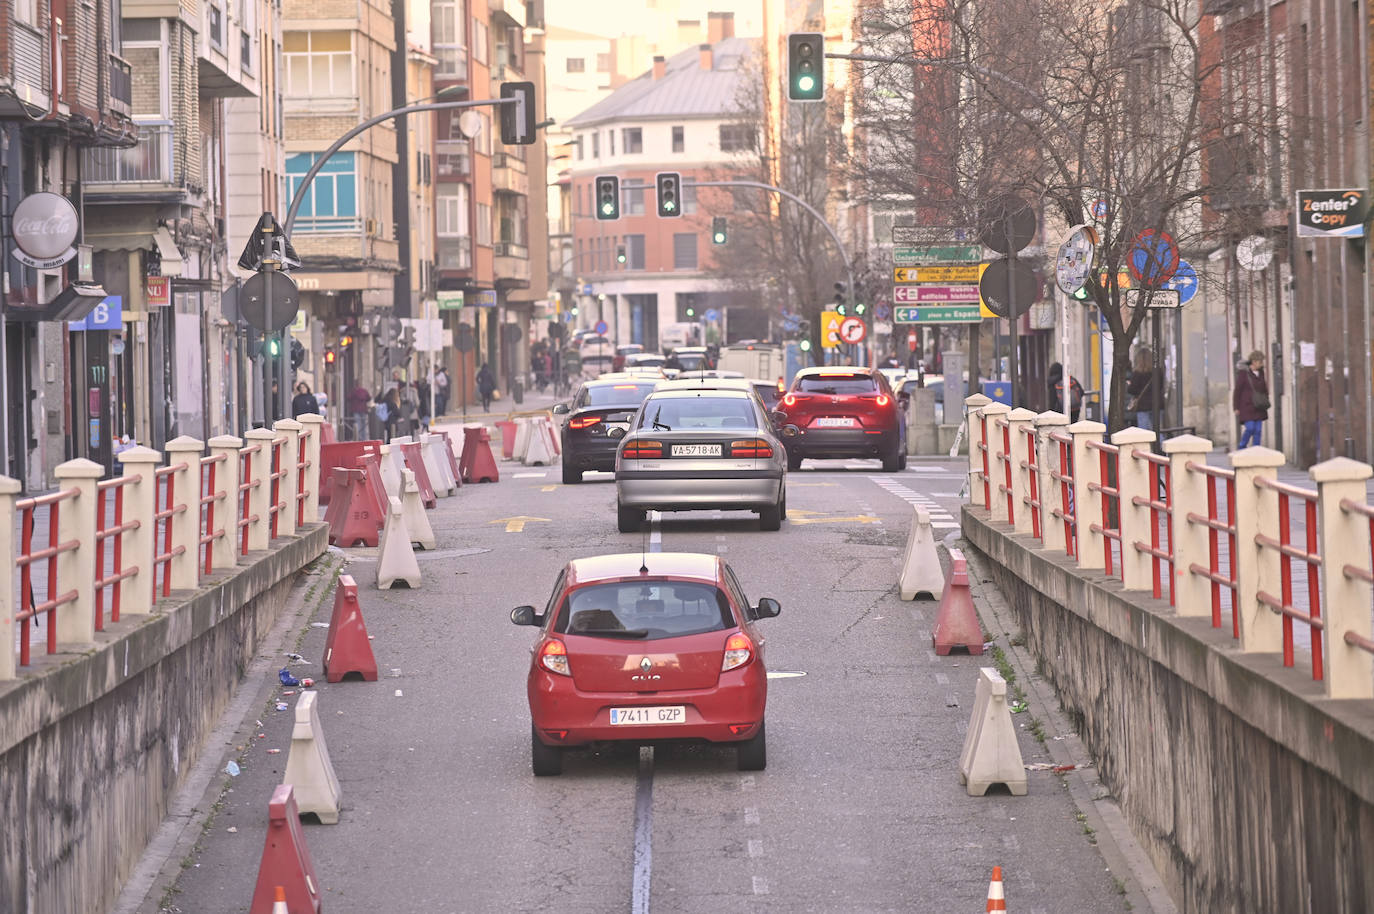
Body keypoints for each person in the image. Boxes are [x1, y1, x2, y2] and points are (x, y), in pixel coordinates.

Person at [1234, 350, 1269, 448]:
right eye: (1260, 361)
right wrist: (1236, 407)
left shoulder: (1261, 373)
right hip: (1246, 406)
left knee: (1258, 430)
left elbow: (1264, 388)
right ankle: (1242, 446)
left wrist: (1265, 399)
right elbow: (1237, 390)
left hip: (1259, 406)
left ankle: (1256, 450)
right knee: (1250, 428)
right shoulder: (1244, 373)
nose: (1261, 364)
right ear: (1253, 361)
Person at [1126, 348, 1162, 429]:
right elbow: (1161, 386)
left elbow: (1131, 390)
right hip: (1157, 404)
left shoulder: (1137, 373)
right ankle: (1160, 441)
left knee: (1144, 432)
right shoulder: (1158, 371)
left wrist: (1129, 385)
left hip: (1143, 405)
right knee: (1157, 430)